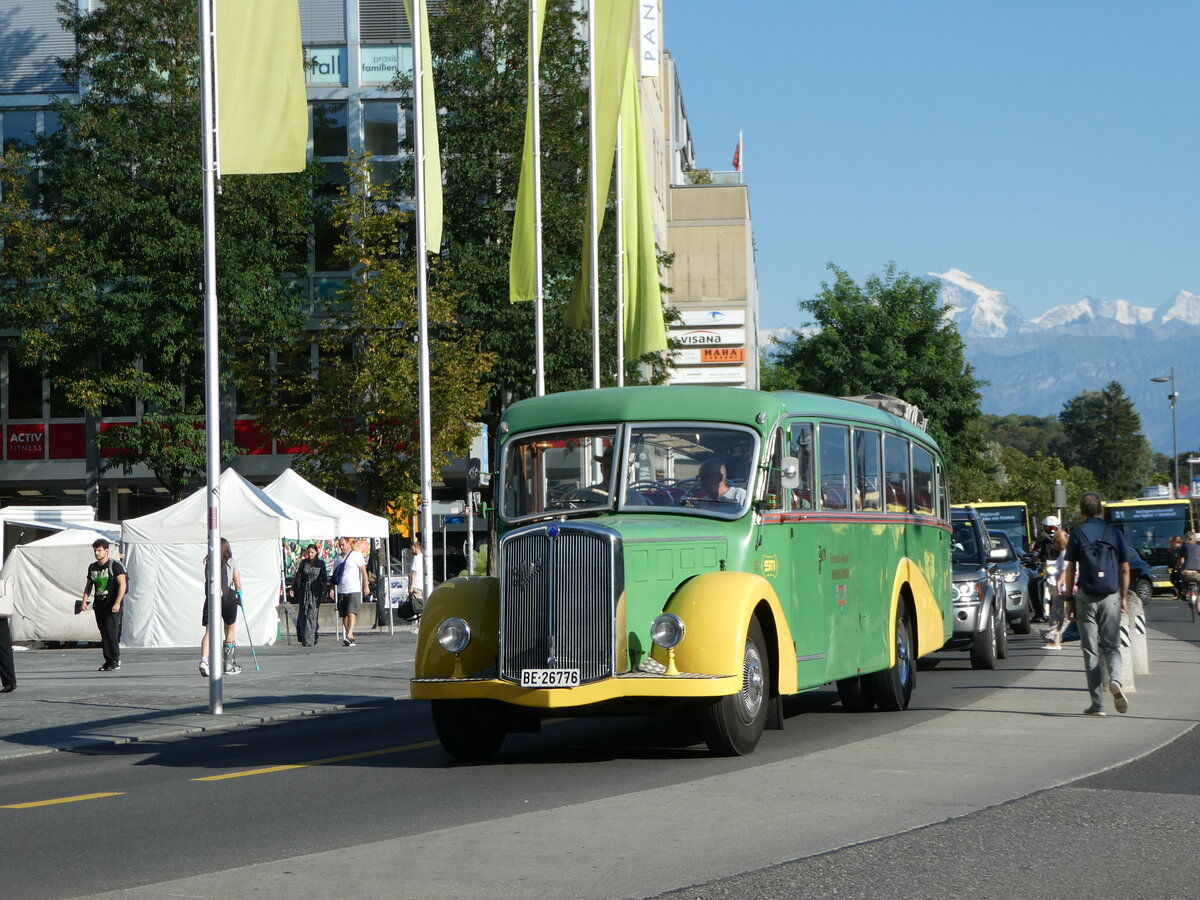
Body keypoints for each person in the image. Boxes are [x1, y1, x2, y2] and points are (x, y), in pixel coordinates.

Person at [1063, 492, 1130, 716]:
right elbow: (1125, 568)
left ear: (1082, 511)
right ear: (1101, 509)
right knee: (1112, 646)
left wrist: (1069, 599)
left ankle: (1097, 705)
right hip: (1110, 596)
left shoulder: (1077, 534)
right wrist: (1122, 597)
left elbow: (1071, 568)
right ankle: (1117, 680)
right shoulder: (1114, 533)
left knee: (1090, 650)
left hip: (1086, 596)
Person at [199, 538, 243, 677]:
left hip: (212, 597)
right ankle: (228, 664)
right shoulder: (232, 562)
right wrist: (240, 597)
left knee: (209, 630)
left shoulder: (209, 561)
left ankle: (204, 661)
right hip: (228, 596)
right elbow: (238, 584)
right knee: (229, 628)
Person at [82, 538, 127, 672]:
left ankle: (115, 659)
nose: (97, 553)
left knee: (110, 631)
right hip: (99, 604)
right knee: (103, 633)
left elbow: (122, 584)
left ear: (106, 551)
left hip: (112, 604)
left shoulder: (115, 565)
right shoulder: (92, 567)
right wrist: (84, 600)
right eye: (95, 550)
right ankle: (107, 661)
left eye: (99, 550)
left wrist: (118, 602)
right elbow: (89, 585)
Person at [330, 536, 369, 647]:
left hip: (354, 589)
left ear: (348, 543)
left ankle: (349, 634)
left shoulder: (356, 555)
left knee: (351, 612)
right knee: (344, 615)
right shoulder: (337, 558)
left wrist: (366, 586)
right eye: (339, 545)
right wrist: (332, 587)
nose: (341, 547)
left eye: (343, 544)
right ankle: (350, 636)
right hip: (342, 589)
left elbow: (363, 571)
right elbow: (335, 574)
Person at [288, 544, 326, 647]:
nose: (310, 554)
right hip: (304, 591)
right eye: (308, 552)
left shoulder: (320, 564)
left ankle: (311, 639)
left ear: (316, 553)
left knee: (312, 615)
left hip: (315, 591)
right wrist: (293, 587)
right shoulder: (303, 563)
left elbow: (324, 580)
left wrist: (323, 593)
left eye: (312, 552)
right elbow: (298, 575)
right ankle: (305, 637)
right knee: (303, 615)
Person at [1027, 515, 1061, 622]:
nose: (1051, 531)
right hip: (1048, 571)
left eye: (1054, 528)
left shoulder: (1065, 541)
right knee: (1034, 584)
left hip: (1063, 571)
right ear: (1044, 528)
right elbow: (1036, 552)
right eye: (1049, 529)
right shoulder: (1041, 543)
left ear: (1058, 528)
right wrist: (1031, 558)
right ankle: (1038, 613)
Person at [1043, 529, 1072, 649]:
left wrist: (1059, 583)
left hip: (1064, 589)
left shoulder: (1065, 554)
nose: (1052, 544)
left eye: (1054, 541)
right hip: (1062, 588)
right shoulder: (1063, 553)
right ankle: (1055, 639)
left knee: (1062, 615)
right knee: (1060, 615)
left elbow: (1066, 569)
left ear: (1059, 542)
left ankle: (1055, 639)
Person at [1177, 532, 1200, 611]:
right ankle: (1199, 606)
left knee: (1182, 577)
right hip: (1198, 572)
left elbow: (1180, 560)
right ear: (1195, 540)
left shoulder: (1183, 547)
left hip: (1187, 572)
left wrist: (1179, 567)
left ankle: (1185, 592)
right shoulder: (1198, 547)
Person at [408, 541, 425, 634]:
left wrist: (411, 586)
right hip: (423, 585)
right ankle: (421, 625)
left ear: (417, 548)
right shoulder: (424, 557)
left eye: (412, 548)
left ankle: (419, 626)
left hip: (417, 586)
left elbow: (415, 573)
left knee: (418, 607)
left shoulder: (416, 559)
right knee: (422, 606)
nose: (411, 550)